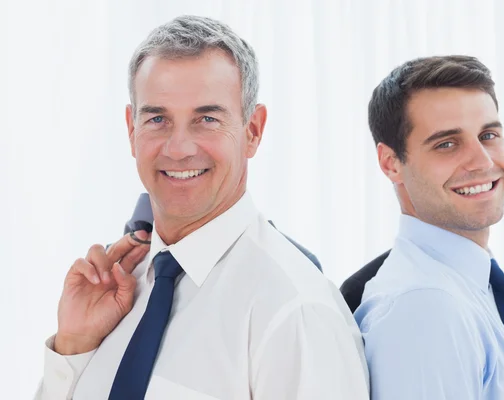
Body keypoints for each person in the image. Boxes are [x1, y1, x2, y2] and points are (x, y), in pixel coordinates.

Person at [35, 15, 369, 400]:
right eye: (157, 118)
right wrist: (73, 348)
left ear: (253, 131)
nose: (178, 148)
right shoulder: (116, 292)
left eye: (207, 119)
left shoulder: (294, 309)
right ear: (131, 130)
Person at [355, 56, 504, 399]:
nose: (483, 161)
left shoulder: (466, 289)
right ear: (391, 163)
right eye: (447, 143)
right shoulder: (425, 308)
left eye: (488, 135)